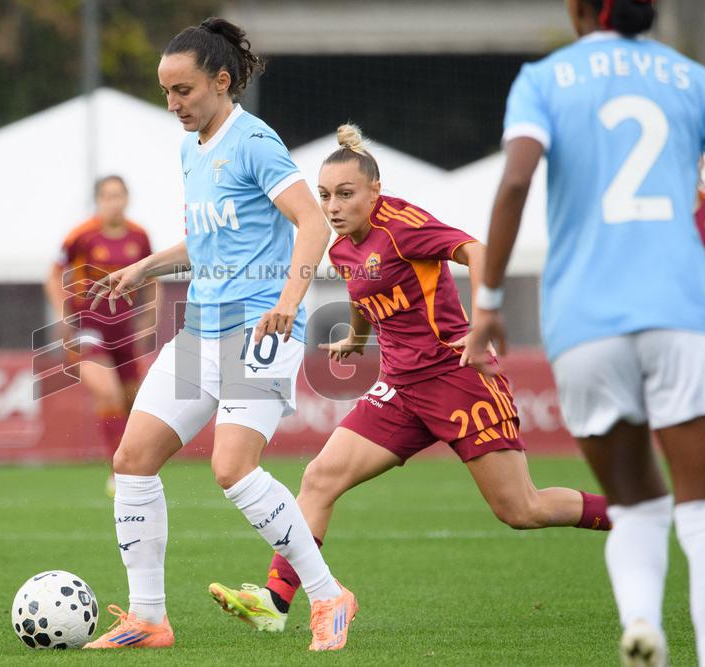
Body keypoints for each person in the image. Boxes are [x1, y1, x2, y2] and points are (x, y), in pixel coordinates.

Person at [208, 124, 612, 634]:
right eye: (325, 196)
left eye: (345, 195)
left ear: (374, 191)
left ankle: (637, 513)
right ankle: (276, 601)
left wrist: (484, 317)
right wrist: (357, 339)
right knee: (318, 478)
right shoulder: (341, 249)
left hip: (457, 378)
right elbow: (363, 294)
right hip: (399, 389)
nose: (332, 207)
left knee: (521, 509)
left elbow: (477, 250)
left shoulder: (401, 225)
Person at [81, 18, 357, 651]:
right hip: (199, 329)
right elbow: (208, 240)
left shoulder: (255, 140)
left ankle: (328, 597)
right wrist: (143, 266)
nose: (174, 105)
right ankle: (149, 619)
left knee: (232, 468)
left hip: (255, 330)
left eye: (184, 91)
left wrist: (289, 303)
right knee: (132, 461)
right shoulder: (191, 149)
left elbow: (313, 225)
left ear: (221, 81)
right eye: (167, 93)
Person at [463, 2, 705, 665]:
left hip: (585, 321)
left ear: (578, 10)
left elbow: (515, 179)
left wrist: (487, 303)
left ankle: (640, 623)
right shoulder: (691, 77)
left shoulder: (545, 79)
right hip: (682, 311)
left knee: (634, 501)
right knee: (700, 504)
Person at [45, 175, 154, 495]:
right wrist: (63, 315)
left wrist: (149, 317)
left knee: (134, 401)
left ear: (127, 198)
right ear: (98, 200)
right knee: (108, 394)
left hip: (125, 328)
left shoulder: (140, 236)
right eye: (107, 196)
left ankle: (134, 467)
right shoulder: (81, 235)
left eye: (118, 195)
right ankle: (118, 470)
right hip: (88, 327)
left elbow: (152, 275)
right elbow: (53, 276)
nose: (113, 202)